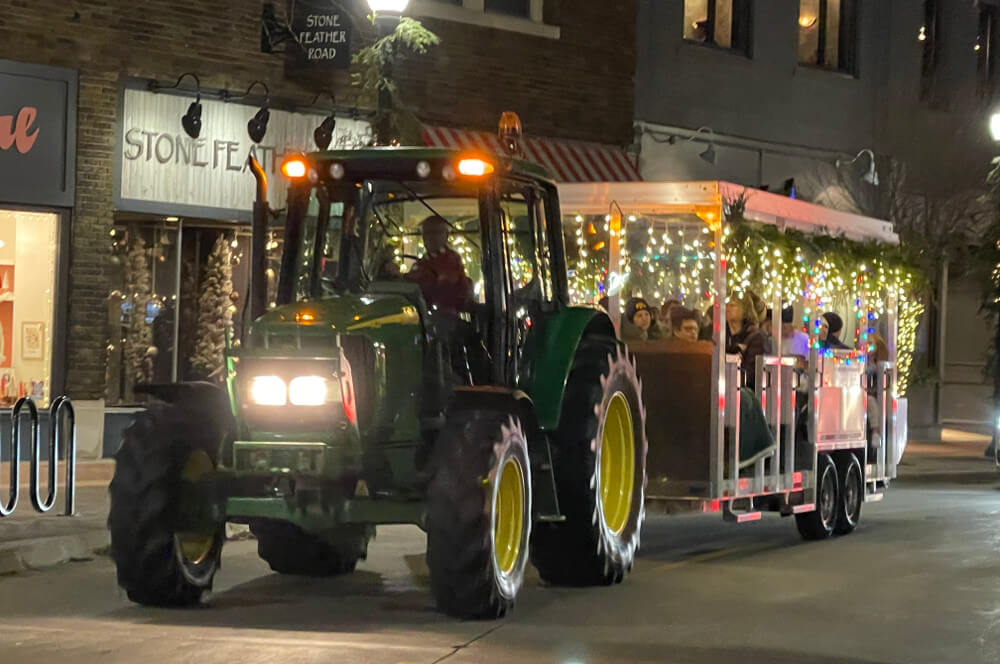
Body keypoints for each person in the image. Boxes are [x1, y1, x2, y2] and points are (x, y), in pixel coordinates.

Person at [405, 215, 473, 315]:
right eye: (426, 233)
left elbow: (443, 285)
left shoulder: (451, 259)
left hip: (446, 317)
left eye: (436, 232)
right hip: (424, 316)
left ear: (446, 235)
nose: (430, 237)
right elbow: (412, 282)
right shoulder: (423, 260)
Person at [725, 292, 767, 385]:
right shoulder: (720, 333)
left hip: (743, 389)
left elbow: (749, 373)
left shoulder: (754, 337)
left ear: (744, 309)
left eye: (732, 305)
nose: (727, 308)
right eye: (726, 304)